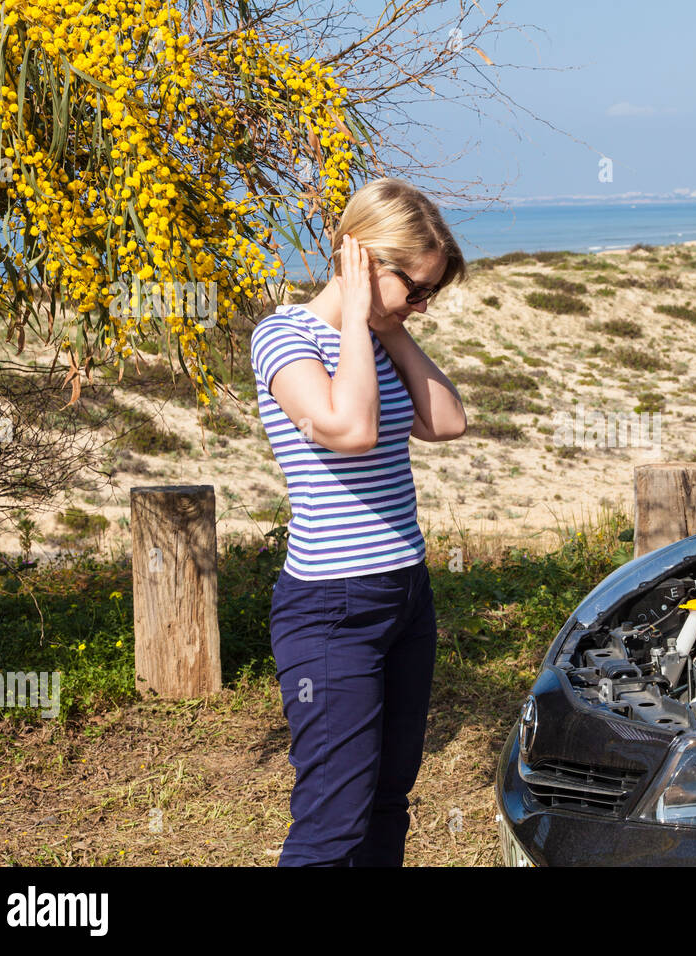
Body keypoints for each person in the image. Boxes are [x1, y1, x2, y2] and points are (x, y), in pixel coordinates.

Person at [249, 178, 468, 866]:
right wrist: (354, 317)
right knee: (331, 824)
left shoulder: (380, 337)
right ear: (363, 261)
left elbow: (447, 422)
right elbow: (350, 428)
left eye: (431, 293)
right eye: (417, 288)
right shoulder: (284, 336)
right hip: (332, 610)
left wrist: (390, 325)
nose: (424, 305)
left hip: (406, 595)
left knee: (387, 803)